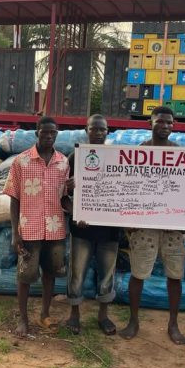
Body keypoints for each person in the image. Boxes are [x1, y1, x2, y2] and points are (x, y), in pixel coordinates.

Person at [120, 106, 185, 343]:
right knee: (138, 273)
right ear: (150, 123)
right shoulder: (140, 152)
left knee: (175, 276)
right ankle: (133, 321)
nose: (165, 126)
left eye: (169, 122)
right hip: (145, 225)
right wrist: (130, 221)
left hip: (173, 226)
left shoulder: (180, 154)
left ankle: (173, 324)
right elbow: (130, 187)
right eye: (160, 122)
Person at [4, 116, 69, 337]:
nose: (49, 136)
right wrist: (16, 232)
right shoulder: (21, 161)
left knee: (50, 273)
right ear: (37, 133)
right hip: (29, 228)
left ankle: (44, 314)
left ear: (56, 134)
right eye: (45, 132)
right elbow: (14, 198)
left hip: (55, 229)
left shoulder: (63, 162)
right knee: (25, 275)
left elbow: (65, 198)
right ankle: (23, 319)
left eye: (53, 133)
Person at [62, 114, 119, 336]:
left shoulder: (118, 157)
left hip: (110, 229)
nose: (98, 133)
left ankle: (103, 315)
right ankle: (74, 314)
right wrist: (72, 208)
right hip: (82, 228)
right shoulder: (75, 157)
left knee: (107, 274)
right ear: (86, 130)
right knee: (76, 272)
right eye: (93, 129)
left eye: (102, 129)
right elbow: (62, 195)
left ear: (108, 131)